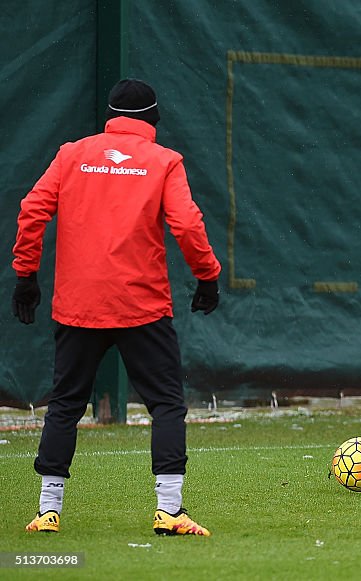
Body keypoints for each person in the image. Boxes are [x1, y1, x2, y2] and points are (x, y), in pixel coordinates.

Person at [12, 79, 221, 536]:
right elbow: (186, 223)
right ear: (151, 120)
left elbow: (32, 209)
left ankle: (48, 512)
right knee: (166, 404)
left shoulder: (72, 154)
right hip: (141, 304)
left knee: (65, 405)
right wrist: (207, 275)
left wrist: (26, 274)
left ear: (110, 117)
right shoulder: (165, 161)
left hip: (78, 304)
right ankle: (169, 511)